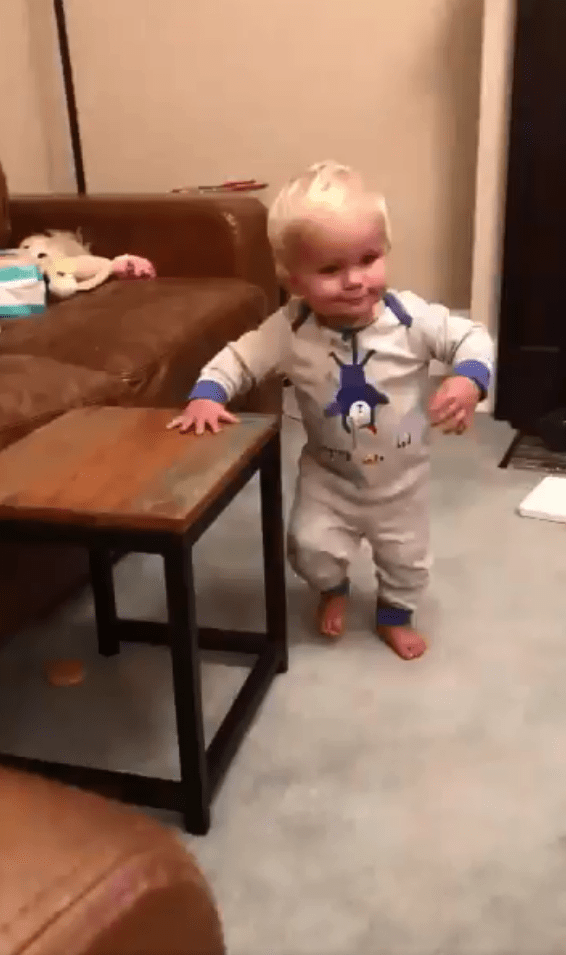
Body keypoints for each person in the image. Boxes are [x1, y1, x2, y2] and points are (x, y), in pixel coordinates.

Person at [168, 161, 494, 660]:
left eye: (368, 259)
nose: (355, 281)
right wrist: (208, 393)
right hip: (329, 477)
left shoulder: (409, 319)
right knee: (309, 547)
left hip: (401, 482)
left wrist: (469, 378)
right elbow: (240, 357)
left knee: (407, 560)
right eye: (329, 269)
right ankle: (333, 588)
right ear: (293, 279)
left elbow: (471, 336)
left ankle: (394, 615)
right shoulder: (290, 328)